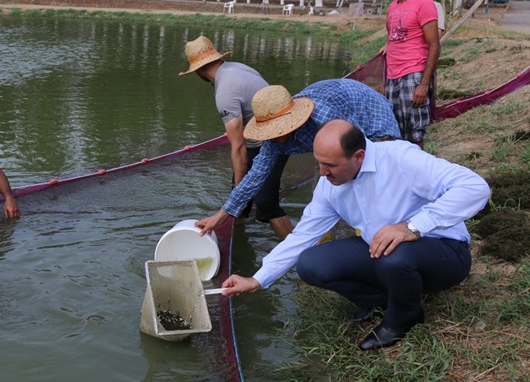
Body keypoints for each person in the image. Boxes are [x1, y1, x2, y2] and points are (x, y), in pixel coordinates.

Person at [220, 119, 490, 350]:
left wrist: (412, 227)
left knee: (394, 255)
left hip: (444, 252)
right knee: (311, 264)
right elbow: (302, 236)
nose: (323, 173)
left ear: (358, 156)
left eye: (330, 165)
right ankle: (386, 300)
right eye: (318, 163)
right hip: (383, 251)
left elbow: (474, 187)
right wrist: (257, 279)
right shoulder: (329, 185)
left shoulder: (401, 158)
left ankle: (403, 318)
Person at [195, 79, 401, 240]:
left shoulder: (324, 118)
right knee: (329, 187)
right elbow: (255, 177)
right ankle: (322, 243)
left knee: (371, 179)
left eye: (277, 129)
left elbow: (360, 151)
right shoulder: (274, 140)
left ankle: (379, 235)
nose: (274, 136)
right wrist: (220, 216)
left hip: (370, 114)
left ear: (293, 120)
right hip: (341, 111)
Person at [179, 35, 293, 239]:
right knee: (238, 198)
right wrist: (238, 194)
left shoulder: (225, 92)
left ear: (198, 70)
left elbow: (238, 146)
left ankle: (300, 253)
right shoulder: (237, 68)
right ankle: (236, 240)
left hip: (274, 139)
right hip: (276, 129)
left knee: (265, 202)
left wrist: (240, 191)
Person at [379, 0, 441, 149]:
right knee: (394, 132)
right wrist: (385, 80)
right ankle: (401, 174)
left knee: (414, 133)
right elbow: (392, 40)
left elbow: (434, 45)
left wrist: (424, 84)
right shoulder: (393, 7)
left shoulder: (424, 4)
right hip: (393, 76)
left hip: (414, 74)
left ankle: (419, 174)